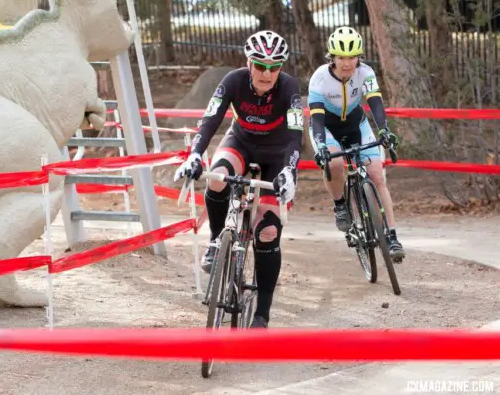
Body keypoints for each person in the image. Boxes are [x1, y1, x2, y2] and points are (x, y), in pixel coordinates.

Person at [174, 29, 303, 329]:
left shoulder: (289, 87)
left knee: (268, 232)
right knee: (217, 178)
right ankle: (217, 240)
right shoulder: (232, 81)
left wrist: (290, 170)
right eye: (260, 65)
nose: (267, 73)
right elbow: (210, 120)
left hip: (276, 156)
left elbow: (296, 137)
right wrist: (195, 154)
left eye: (274, 67)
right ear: (249, 63)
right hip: (240, 144)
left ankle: (262, 313)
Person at [307, 26, 405, 262]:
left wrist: (384, 130)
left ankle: (391, 236)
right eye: (341, 57)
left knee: (377, 176)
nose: (347, 63)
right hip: (327, 128)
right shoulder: (319, 78)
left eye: (352, 57)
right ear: (333, 57)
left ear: (358, 57)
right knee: (336, 163)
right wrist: (321, 146)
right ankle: (340, 204)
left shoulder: (366, 73)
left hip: (356, 124)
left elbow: (376, 104)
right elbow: (317, 119)